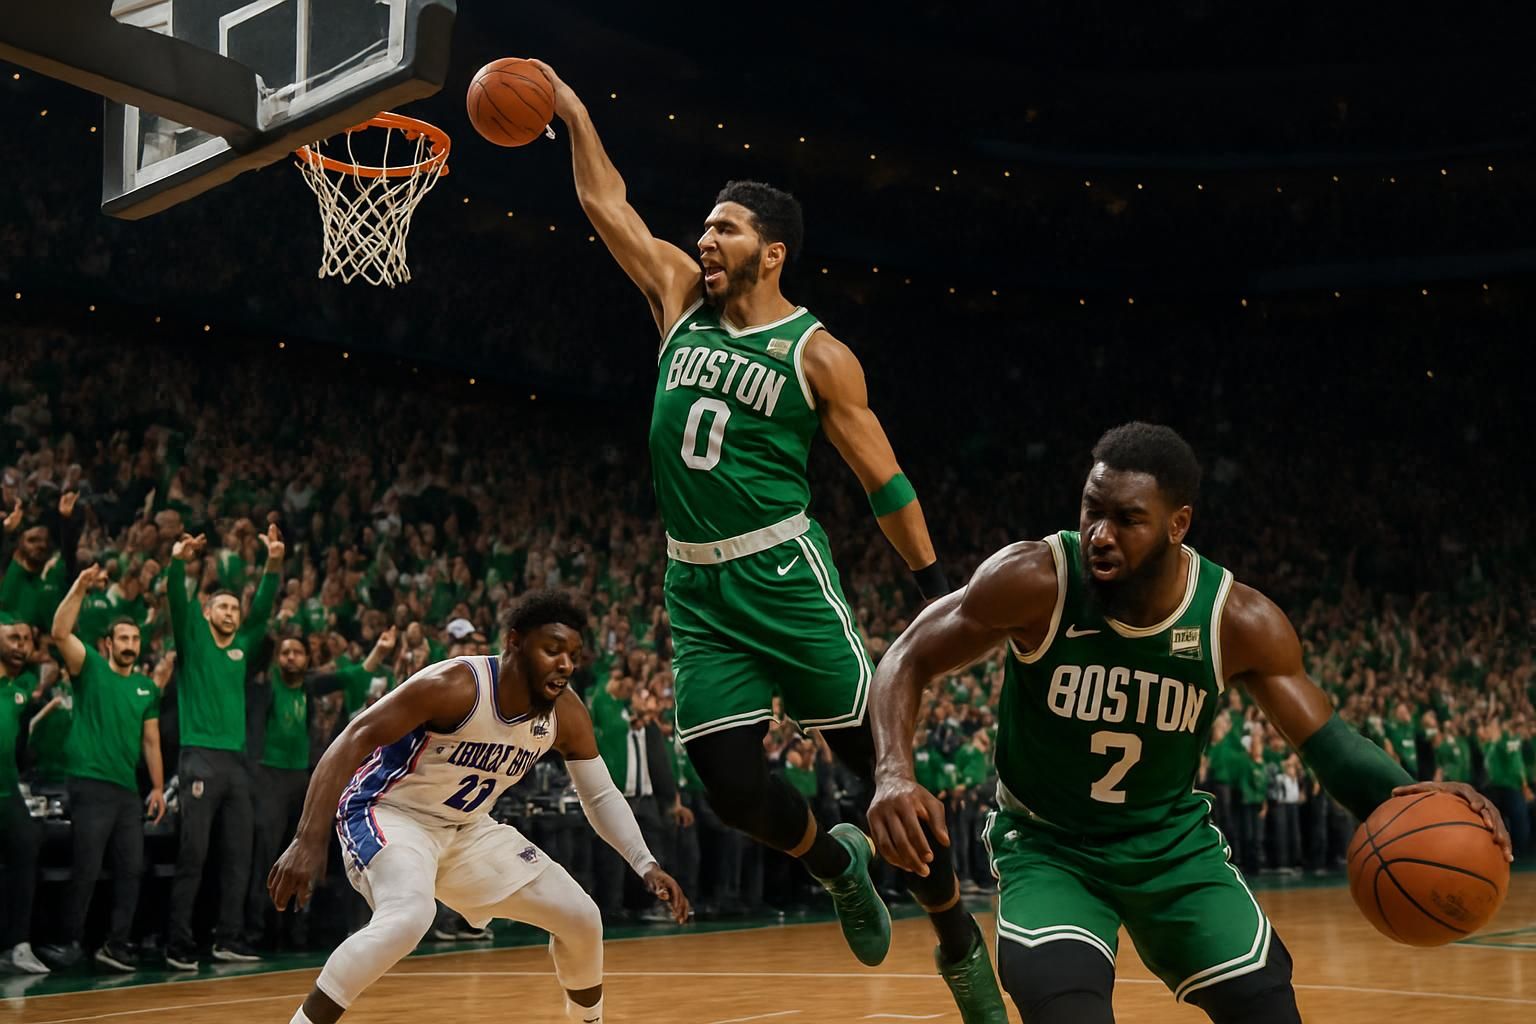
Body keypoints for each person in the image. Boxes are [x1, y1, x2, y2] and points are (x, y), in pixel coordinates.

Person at [536, 59, 1004, 1019]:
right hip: (697, 592)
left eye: (724, 229)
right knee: (732, 788)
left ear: (773, 251)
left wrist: (936, 590)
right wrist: (574, 112)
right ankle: (835, 863)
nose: (703, 239)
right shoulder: (674, 297)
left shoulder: (818, 354)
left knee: (882, 772)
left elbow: (886, 481)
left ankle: (958, 935)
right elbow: (607, 203)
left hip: (787, 578)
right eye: (704, 227)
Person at [866, 422, 1513, 1023]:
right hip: (1049, 845)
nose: (1100, 533)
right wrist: (894, 771)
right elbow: (908, 655)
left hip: (1168, 846)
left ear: (1178, 524)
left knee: (1266, 1005)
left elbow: (1327, 744)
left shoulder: (1236, 621)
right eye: (1093, 509)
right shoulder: (1035, 579)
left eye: (1127, 519)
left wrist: (1421, 798)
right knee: (1061, 1004)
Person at [267, 591, 689, 1024]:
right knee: (410, 916)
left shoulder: (565, 713)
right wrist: (307, 839)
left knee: (581, 917)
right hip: (389, 812)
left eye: (574, 655)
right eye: (552, 649)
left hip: (466, 827)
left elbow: (599, 795)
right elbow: (352, 738)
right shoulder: (455, 685)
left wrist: (645, 863)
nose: (565, 664)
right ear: (514, 642)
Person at [37, 566, 168, 972]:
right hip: (89, 783)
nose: (130, 644)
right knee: (87, 866)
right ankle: (69, 942)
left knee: (131, 868)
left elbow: (151, 740)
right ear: (107, 643)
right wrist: (78, 586)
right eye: (123, 638)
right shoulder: (89, 667)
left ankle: (115, 944)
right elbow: (60, 632)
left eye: (134, 638)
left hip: (127, 790)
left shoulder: (146, 687)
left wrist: (159, 788)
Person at [163, 527, 283, 969]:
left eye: (235, 608)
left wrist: (272, 563)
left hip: (236, 763)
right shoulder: (193, 640)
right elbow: (178, 601)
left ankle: (228, 938)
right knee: (193, 854)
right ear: (208, 612)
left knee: (239, 855)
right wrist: (178, 562)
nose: (231, 613)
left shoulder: (242, 646)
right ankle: (178, 942)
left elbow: (265, 609)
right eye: (223, 607)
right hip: (198, 756)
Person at [0, 613, 47, 974]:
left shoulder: (20, 688)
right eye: (13, 638)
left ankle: (17, 945)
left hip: (7, 790)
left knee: (27, 845)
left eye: (25, 640)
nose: (21, 645)